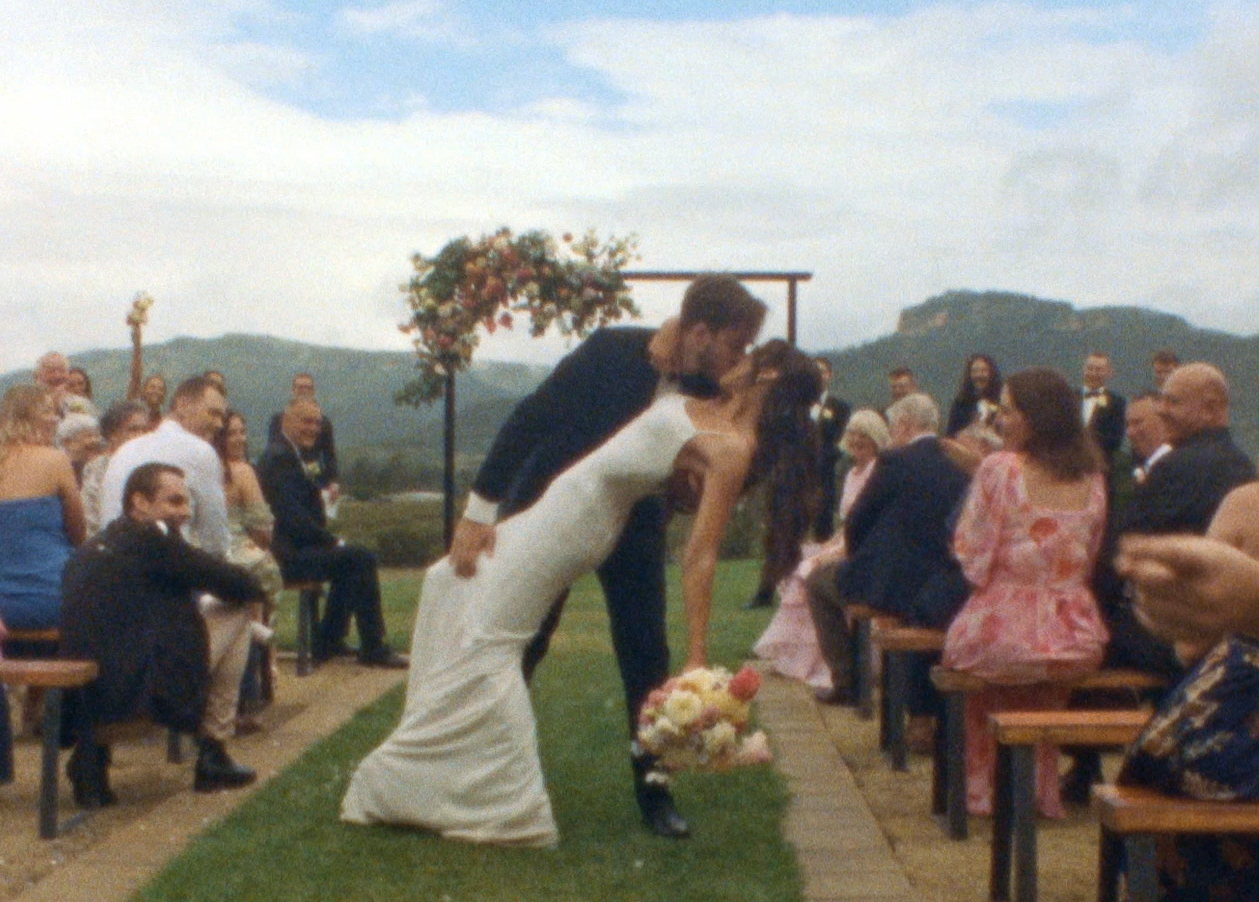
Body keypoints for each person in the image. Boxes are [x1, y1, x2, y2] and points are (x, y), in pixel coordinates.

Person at [340, 339, 822, 847]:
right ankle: (437, 772)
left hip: (576, 524)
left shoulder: (731, 448)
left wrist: (697, 654)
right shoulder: (705, 400)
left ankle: (500, 806)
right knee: (447, 584)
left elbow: (700, 556)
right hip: (557, 507)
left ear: (765, 376)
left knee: (492, 639)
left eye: (748, 357)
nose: (734, 359)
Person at [443, 273, 768, 839]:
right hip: (550, 508)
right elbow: (530, 418)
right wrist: (480, 510)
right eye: (736, 344)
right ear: (698, 330)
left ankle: (654, 791)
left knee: (645, 651)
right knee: (524, 639)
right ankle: (484, 770)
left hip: (631, 523)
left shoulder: (713, 392)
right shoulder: (611, 352)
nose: (740, 358)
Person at [942, 367, 1109, 818]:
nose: (1001, 420)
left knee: (977, 676)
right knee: (1039, 690)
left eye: (1010, 410)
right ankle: (1039, 789)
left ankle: (982, 792)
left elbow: (971, 555)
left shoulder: (1001, 468)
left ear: (1037, 417)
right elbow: (1088, 559)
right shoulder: (1093, 478)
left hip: (1006, 631)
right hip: (1076, 633)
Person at [60, 463, 263, 806]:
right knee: (239, 609)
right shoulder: (152, 541)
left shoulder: (95, 547)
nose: (183, 512)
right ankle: (213, 751)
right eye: (174, 501)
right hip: (135, 697)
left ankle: (91, 759)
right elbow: (241, 584)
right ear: (139, 502)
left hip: (80, 702)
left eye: (186, 503)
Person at [98, 376, 260, 781]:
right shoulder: (199, 452)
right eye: (214, 412)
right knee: (239, 606)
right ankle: (213, 749)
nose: (220, 423)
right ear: (182, 405)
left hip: (106, 595)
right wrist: (210, 579)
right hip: (153, 620)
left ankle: (207, 748)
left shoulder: (126, 450)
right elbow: (217, 540)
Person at [806, 393, 969, 707]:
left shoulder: (895, 460)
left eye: (893, 427)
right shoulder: (961, 460)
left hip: (894, 583)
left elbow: (858, 519)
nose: (892, 434)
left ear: (905, 425)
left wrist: (857, 554)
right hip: (947, 583)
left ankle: (847, 680)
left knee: (816, 583)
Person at [257, 398, 404, 668]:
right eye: (306, 421)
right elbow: (292, 518)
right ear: (286, 422)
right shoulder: (280, 458)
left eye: (317, 422)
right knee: (361, 559)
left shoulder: (290, 454)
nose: (313, 428)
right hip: (285, 555)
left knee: (351, 561)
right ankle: (373, 647)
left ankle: (329, 641)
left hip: (295, 548)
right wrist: (332, 541)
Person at [754, 408, 888, 693]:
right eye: (852, 435)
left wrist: (838, 550)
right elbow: (848, 521)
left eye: (862, 436)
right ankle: (811, 658)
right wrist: (832, 543)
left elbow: (869, 523)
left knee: (812, 570)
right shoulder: (852, 473)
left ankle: (838, 667)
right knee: (805, 560)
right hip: (848, 539)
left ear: (875, 439)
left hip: (863, 546)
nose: (855, 442)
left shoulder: (877, 471)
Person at [215, 411, 283, 732]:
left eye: (243, 432)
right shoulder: (241, 472)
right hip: (237, 555)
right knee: (255, 587)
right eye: (232, 433)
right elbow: (262, 528)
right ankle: (250, 692)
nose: (240, 439)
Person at [0, 386, 86, 632]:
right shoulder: (55, 460)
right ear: (27, 416)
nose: (56, 419)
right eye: (48, 411)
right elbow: (78, 535)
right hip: (51, 598)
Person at [267, 374, 339, 513]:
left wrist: (333, 481)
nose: (304, 391)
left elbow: (329, 454)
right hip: (286, 471)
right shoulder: (279, 419)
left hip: (314, 472)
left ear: (313, 392)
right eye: (300, 387)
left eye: (308, 388)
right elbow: (273, 448)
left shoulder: (324, 423)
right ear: (292, 391)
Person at [80, 400, 150, 537]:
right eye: (134, 430)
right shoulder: (97, 470)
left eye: (145, 430)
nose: (142, 435)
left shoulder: (156, 468)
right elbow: (91, 518)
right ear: (112, 435)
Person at [811, 357, 851, 542]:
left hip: (825, 474)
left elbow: (840, 442)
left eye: (823, 371)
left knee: (823, 523)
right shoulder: (797, 405)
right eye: (815, 371)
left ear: (830, 375)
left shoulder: (840, 408)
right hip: (798, 472)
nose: (819, 375)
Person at [1080, 351, 1126, 467]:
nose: (1093, 373)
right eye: (1090, 368)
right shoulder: (1069, 398)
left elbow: (1116, 440)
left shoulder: (1117, 403)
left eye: (1099, 369)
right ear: (1084, 370)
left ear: (1109, 373)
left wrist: (1086, 438)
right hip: (1070, 468)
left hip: (1101, 467)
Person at [945, 354, 1002, 437]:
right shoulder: (961, 404)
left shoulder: (1001, 401)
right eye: (974, 371)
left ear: (992, 373)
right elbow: (951, 434)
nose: (979, 375)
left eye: (983, 371)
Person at [55, 413, 102, 487]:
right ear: (67, 442)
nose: (95, 441)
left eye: (96, 435)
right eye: (89, 436)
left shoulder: (100, 468)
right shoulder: (58, 471)